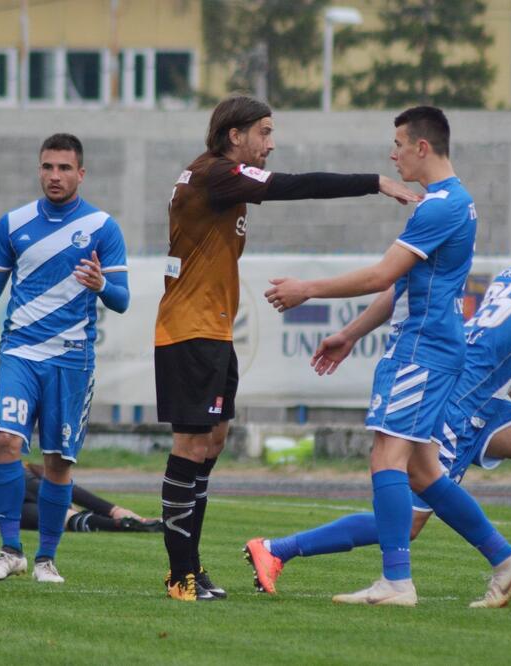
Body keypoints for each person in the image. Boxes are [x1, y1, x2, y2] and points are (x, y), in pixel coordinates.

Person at [262, 106, 511, 608]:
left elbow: (381, 276)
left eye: (398, 143)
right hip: (434, 346)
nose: (392, 154)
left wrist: (307, 288)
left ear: (422, 147)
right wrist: (349, 333)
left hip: (421, 349)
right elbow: (405, 284)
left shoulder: (439, 206)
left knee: (386, 456)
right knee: (424, 472)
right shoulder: (453, 202)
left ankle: (396, 582)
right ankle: (509, 562)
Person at [246, 216, 511, 602]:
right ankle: (277, 549)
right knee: (410, 522)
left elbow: (499, 355)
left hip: (478, 400)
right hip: (454, 405)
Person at [154, 94, 421, 602]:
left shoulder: (216, 179)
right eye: (265, 133)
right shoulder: (217, 174)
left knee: (211, 444)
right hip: (188, 334)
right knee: (190, 446)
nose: (271, 144)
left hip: (212, 332)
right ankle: (179, 575)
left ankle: (190, 566)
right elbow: (296, 186)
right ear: (236, 135)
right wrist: (374, 182)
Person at [0, 133, 129, 585]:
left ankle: (46, 559)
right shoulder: (14, 223)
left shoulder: (103, 227)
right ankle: (9, 551)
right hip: (20, 351)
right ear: (39, 169)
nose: (54, 175)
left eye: (64, 168)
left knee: (58, 463)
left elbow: (122, 299)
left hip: (72, 360)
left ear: (81, 173)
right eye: (47, 167)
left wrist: (101, 285)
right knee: (6, 443)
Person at [0, 463, 161, 533]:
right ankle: (122, 519)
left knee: (65, 518)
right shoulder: (29, 471)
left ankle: (123, 524)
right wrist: (114, 509)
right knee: (61, 508)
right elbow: (72, 491)